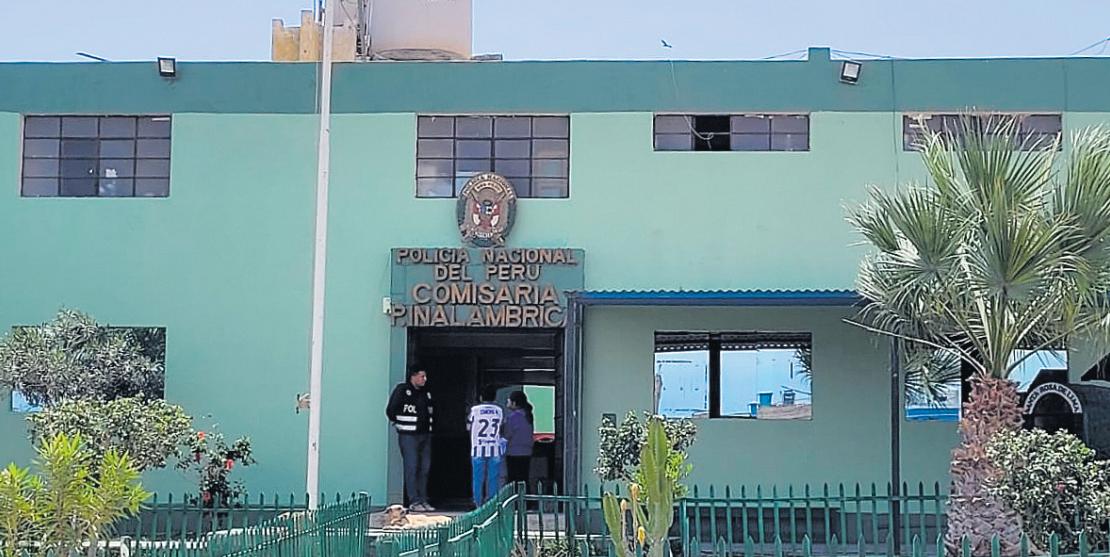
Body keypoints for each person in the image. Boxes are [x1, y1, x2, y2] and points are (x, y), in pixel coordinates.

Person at [386, 368, 435, 512]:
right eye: (422, 376)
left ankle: (423, 499)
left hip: (425, 435)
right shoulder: (402, 391)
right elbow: (391, 410)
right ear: (413, 376)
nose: (424, 379)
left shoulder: (426, 393)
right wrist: (401, 424)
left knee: (424, 468)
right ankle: (414, 501)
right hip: (408, 436)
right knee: (411, 467)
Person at [467, 386, 503, 507]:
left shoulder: (475, 410)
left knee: (478, 478)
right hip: (494, 448)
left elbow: (469, 426)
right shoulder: (499, 410)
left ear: (481, 397)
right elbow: (502, 425)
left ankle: (478, 504)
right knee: (493, 478)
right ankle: (491, 505)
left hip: (478, 448)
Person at [502, 390, 535, 486]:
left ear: (514, 403)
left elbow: (507, 434)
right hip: (527, 452)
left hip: (513, 452)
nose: (507, 402)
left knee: (513, 481)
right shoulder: (527, 416)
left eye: (508, 401)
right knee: (524, 479)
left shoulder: (512, 417)